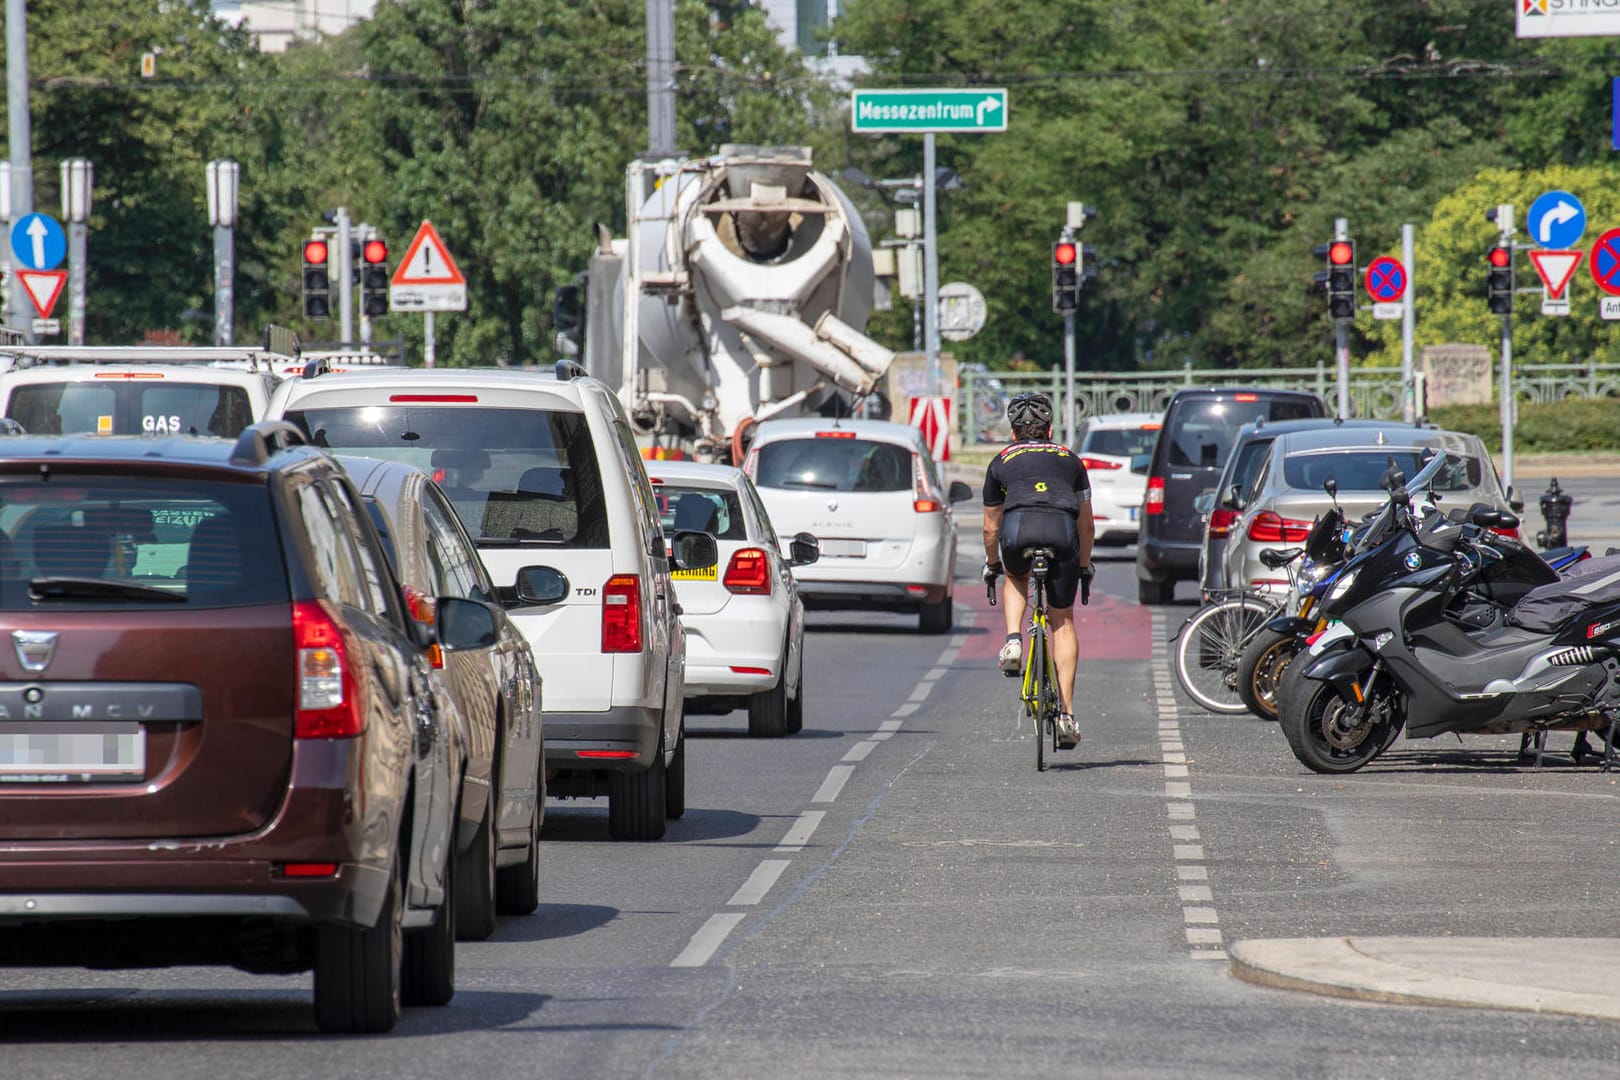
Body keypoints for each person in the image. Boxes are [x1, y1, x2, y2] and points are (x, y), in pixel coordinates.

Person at [981, 392, 1095, 749]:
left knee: (1016, 576)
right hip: (1062, 531)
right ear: (1049, 431)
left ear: (1013, 432)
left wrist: (992, 564)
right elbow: (1087, 526)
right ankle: (1067, 715)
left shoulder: (1000, 460)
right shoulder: (1071, 460)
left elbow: (990, 527)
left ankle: (1014, 641)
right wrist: (1083, 565)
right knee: (1062, 620)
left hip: (1018, 531)